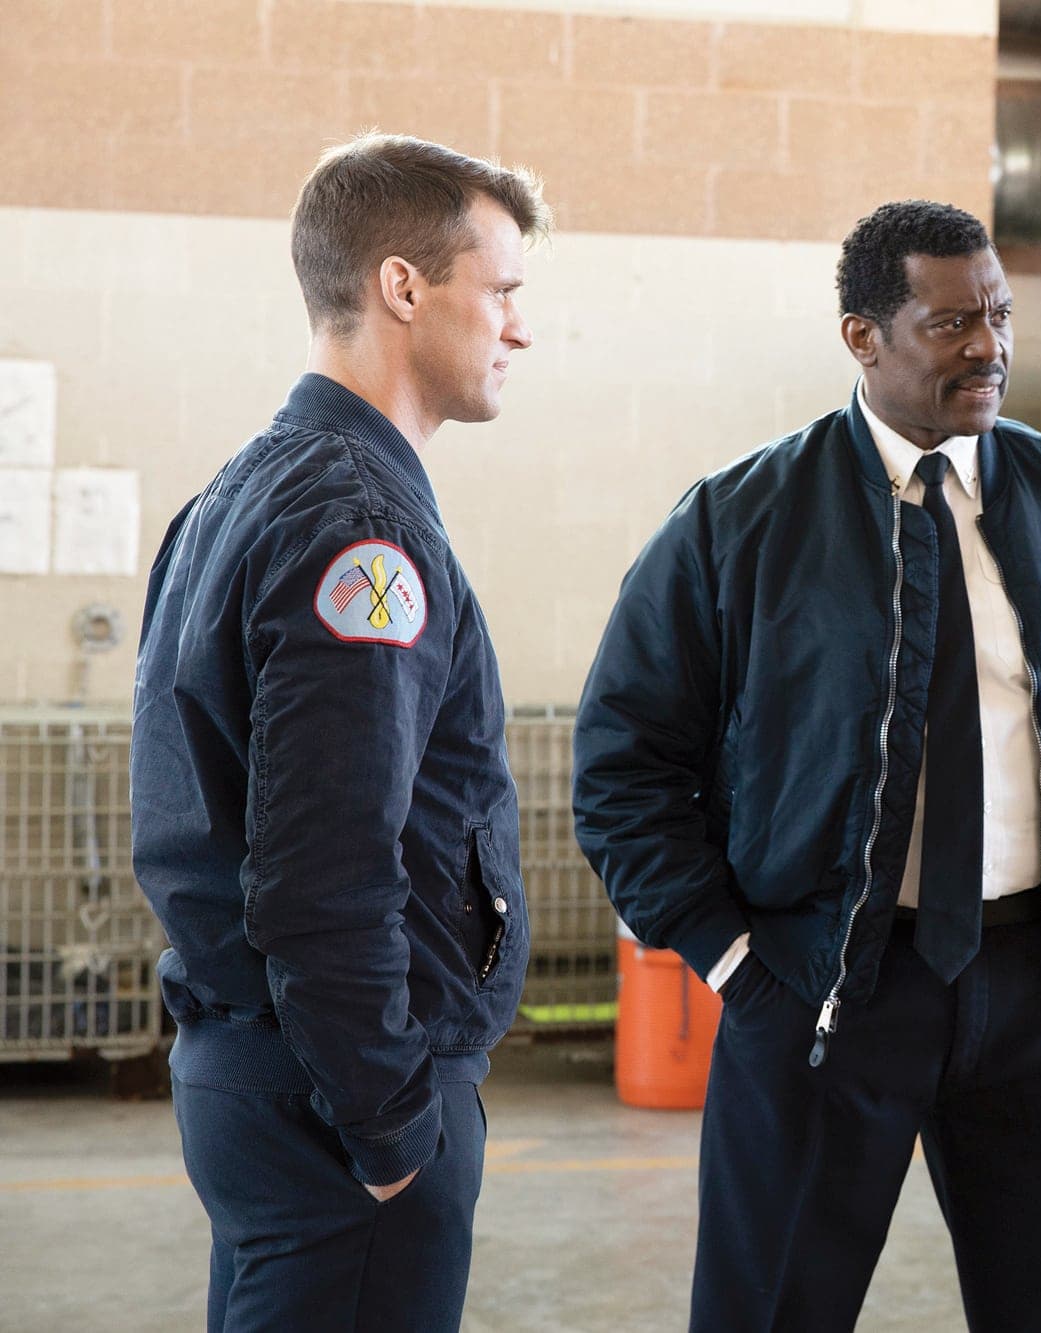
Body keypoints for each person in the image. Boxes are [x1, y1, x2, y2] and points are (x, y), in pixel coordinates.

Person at [572, 199, 1041, 1332]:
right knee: (770, 1308)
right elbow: (623, 766)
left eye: (998, 314)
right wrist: (733, 962)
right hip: (823, 987)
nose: (987, 346)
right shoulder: (736, 524)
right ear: (861, 336)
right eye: (947, 323)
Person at [130, 133, 549, 1333]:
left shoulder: (241, 487)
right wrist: (389, 1129)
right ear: (403, 287)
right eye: (502, 290)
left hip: (264, 1071)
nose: (519, 328)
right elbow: (325, 863)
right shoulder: (361, 528)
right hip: (340, 1098)